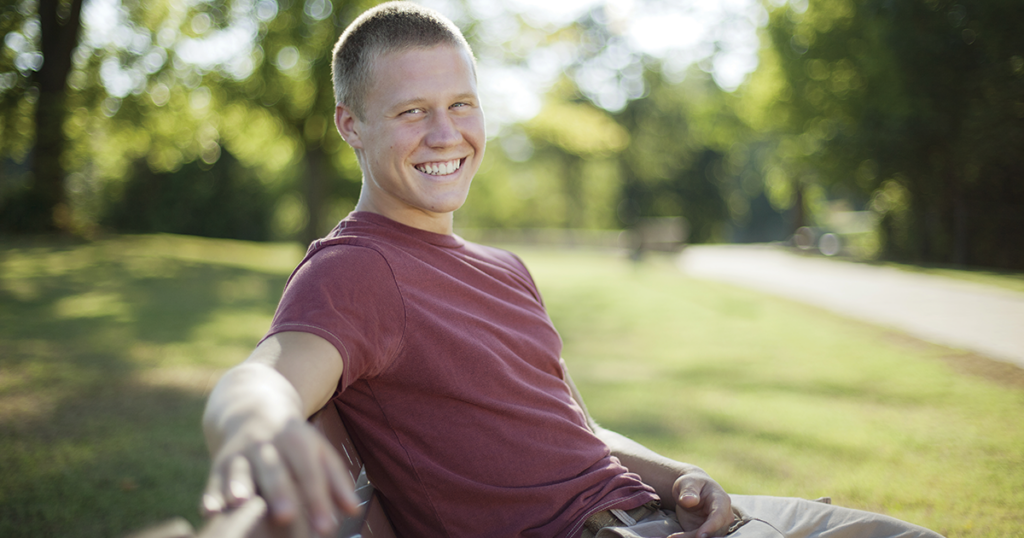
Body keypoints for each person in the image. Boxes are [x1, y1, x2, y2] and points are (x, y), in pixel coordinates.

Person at [200, 3, 944, 538]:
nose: (445, 133)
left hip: (662, 512)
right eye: (411, 112)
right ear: (349, 124)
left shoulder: (506, 270)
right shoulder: (356, 270)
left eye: (461, 104)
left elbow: (580, 429)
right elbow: (263, 378)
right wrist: (250, 433)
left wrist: (680, 474)